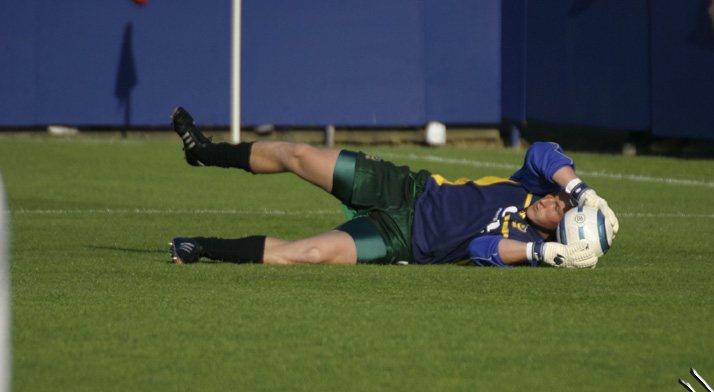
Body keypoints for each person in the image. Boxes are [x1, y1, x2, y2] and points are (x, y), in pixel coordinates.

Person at [168, 107, 619, 268]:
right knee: (299, 155)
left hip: (399, 239)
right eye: (559, 196)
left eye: (562, 207)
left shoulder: (527, 246)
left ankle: (201, 247)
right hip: (405, 190)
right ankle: (204, 151)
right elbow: (543, 151)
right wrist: (580, 190)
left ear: (561, 234)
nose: (552, 199)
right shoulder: (530, 185)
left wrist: (540, 253)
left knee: (305, 255)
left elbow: (484, 250)